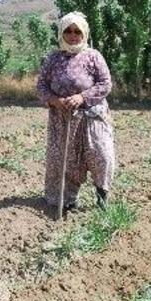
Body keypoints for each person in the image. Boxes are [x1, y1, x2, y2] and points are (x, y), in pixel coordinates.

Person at [37, 11, 115, 212]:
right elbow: (41, 86)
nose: (73, 35)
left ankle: (102, 196)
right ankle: (67, 201)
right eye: (68, 31)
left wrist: (82, 97)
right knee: (66, 161)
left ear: (84, 34)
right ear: (61, 34)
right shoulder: (53, 58)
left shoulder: (93, 56)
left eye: (77, 31)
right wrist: (55, 100)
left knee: (101, 154)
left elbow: (105, 84)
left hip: (92, 116)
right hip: (62, 119)